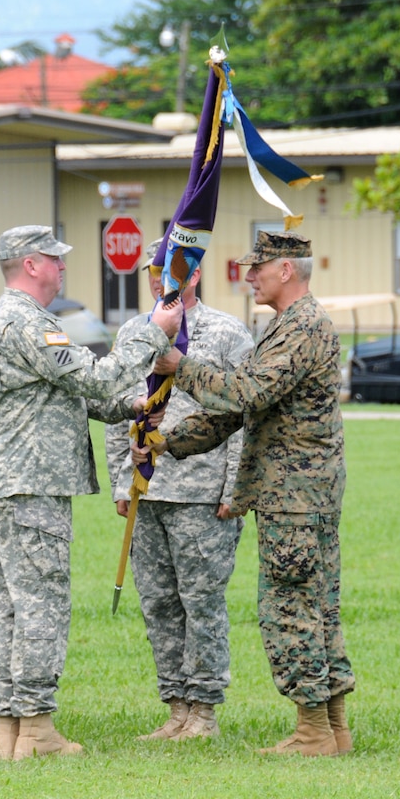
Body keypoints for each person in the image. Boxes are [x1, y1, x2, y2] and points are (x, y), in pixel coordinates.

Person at [0, 225, 182, 760]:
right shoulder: (26, 321)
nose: (63, 268)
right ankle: (36, 731)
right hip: (28, 485)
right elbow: (94, 377)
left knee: (3, 609)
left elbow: (68, 396)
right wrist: (154, 331)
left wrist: (132, 407)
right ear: (30, 264)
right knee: (38, 604)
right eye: (54, 260)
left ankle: (8, 729)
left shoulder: (4, 318)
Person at [143, 230, 354, 757]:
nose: (248, 275)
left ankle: (312, 733)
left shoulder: (301, 325)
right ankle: (332, 729)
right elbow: (240, 411)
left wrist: (179, 368)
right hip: (299, 492)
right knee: (317, 605)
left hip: (295, 495)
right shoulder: (287, 325)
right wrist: (168, 444)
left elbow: (248, 391)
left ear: (286, 270)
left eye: (257, 268)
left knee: (293, 608)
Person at [105, 243, 254, 740]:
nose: (158, 279)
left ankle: (204, 711)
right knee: (160, 603)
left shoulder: (228, 332)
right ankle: (175, 708)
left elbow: (243, 417)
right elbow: (116, 407)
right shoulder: (133, 333)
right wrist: (118, 481)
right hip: (148, 490)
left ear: (194, 275)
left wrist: (235, 488)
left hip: (203, 492)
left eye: (169, 270)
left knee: (202, 601)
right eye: (153, 270)